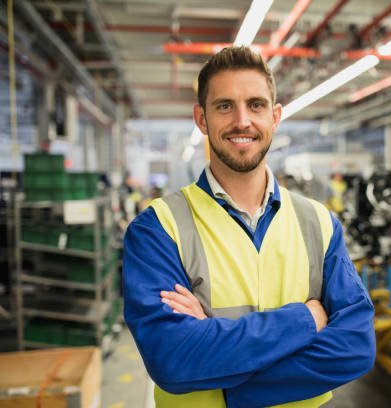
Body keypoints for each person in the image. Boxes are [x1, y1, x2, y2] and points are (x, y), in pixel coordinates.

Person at [123, 46, 375, 408]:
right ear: (201, 118)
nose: (242, 121)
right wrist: (304, 319)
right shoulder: (158, 228)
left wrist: (228, 380)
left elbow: (355, 348)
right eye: (225, 106)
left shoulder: (319, 222)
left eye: (255, 105)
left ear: (275, 117)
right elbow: (173, 360)